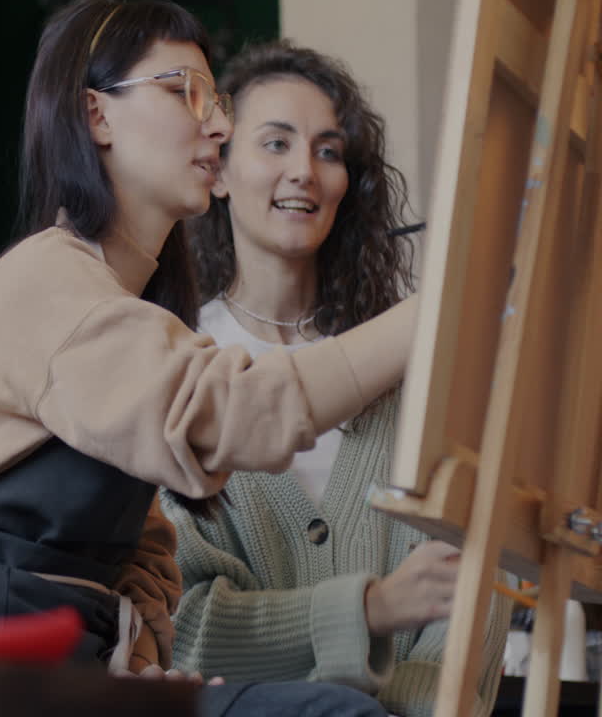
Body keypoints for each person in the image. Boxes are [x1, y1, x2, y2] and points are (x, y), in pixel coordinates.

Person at [0, 0, 413, 713]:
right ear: (96, 115)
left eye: (216, 101)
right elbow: (237, 412)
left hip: (62, 670)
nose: (218, 126)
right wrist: (430, 318)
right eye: (185, 91)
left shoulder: (137, 310)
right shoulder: (47, 280)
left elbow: (146, 563)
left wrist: (140, 663)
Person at [163, 40, 510, 717]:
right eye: (276, 143)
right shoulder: (179, 365)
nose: (305, 172)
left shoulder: (410, 369)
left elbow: (469, 592)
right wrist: (367, 613)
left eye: (328, 151)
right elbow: (187, 630)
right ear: (220, 171)